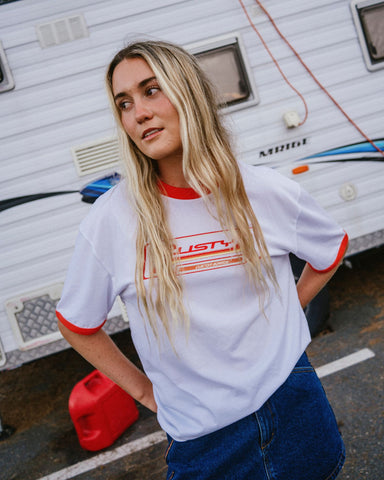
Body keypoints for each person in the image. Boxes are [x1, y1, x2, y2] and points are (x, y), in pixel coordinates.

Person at [56, 40, 348, 480]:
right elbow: (77, 323)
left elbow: (331, 248)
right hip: (205, 444)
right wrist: (145, 391)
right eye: (124, 103)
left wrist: (291, 304)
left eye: (152, 90)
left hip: (294, 407)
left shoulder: (264, 190)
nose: (139, 113)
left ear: (188, 91)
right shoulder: (112, 219)